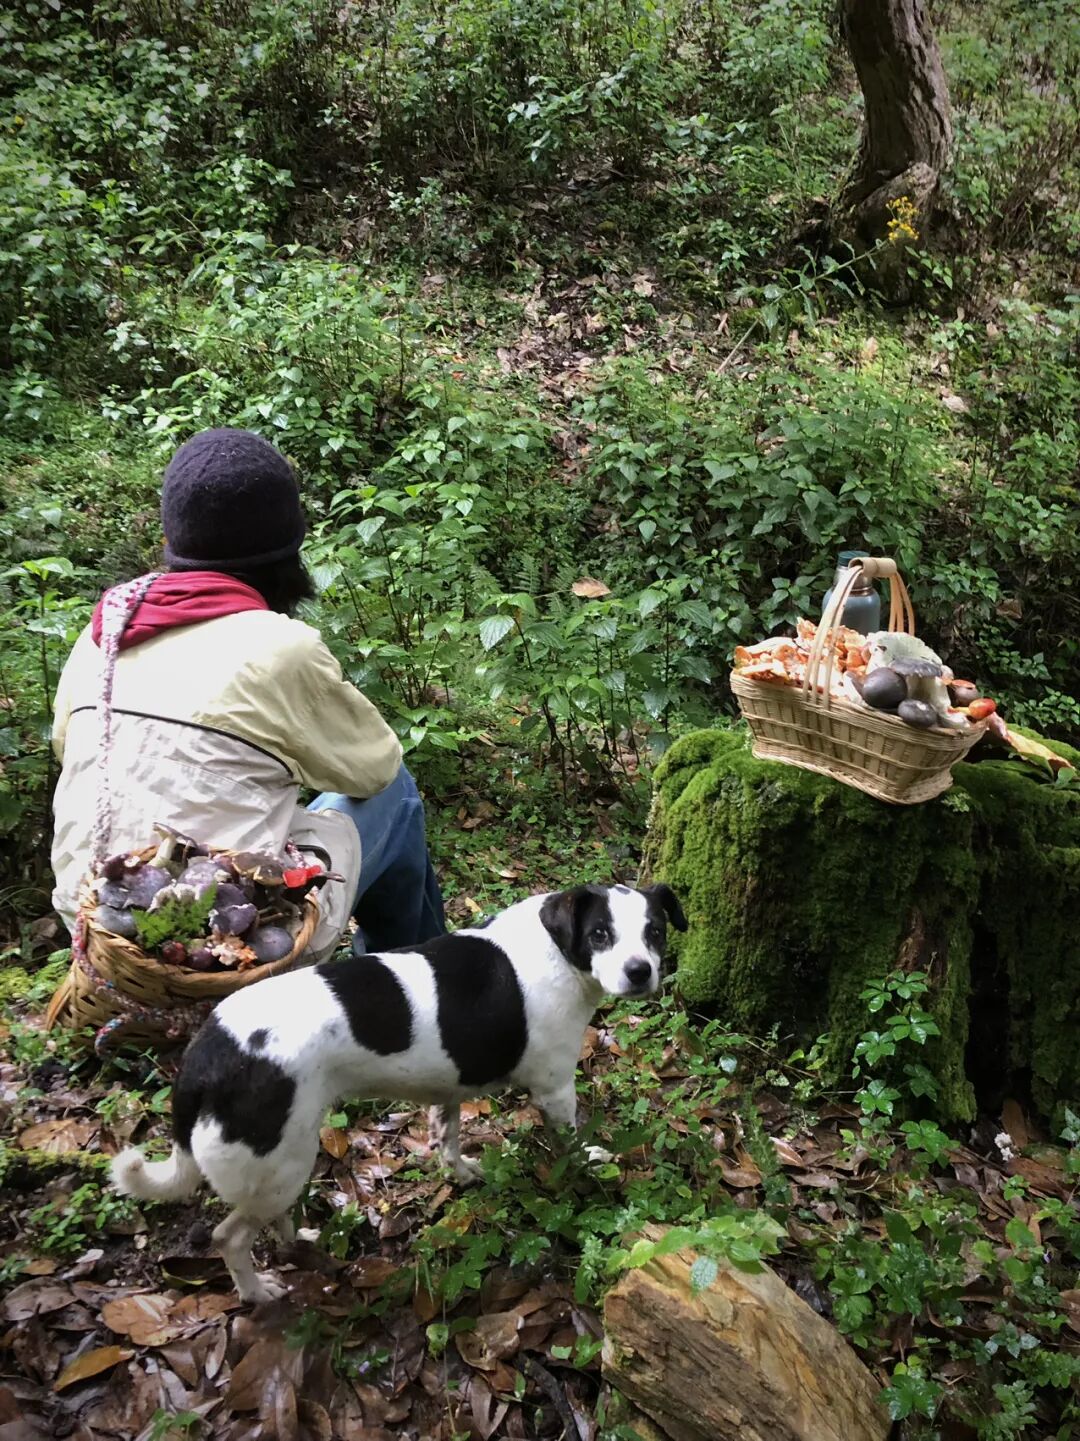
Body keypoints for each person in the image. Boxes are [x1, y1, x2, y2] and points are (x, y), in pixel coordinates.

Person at [50, 427, 446, 960]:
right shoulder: (281, 647)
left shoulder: (105, 633)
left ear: (172, 538)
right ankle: (413, 978)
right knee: (395, 792)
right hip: (241, 940)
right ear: (290, 549)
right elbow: (372, 769)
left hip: (95, 921)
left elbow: (67, 750)